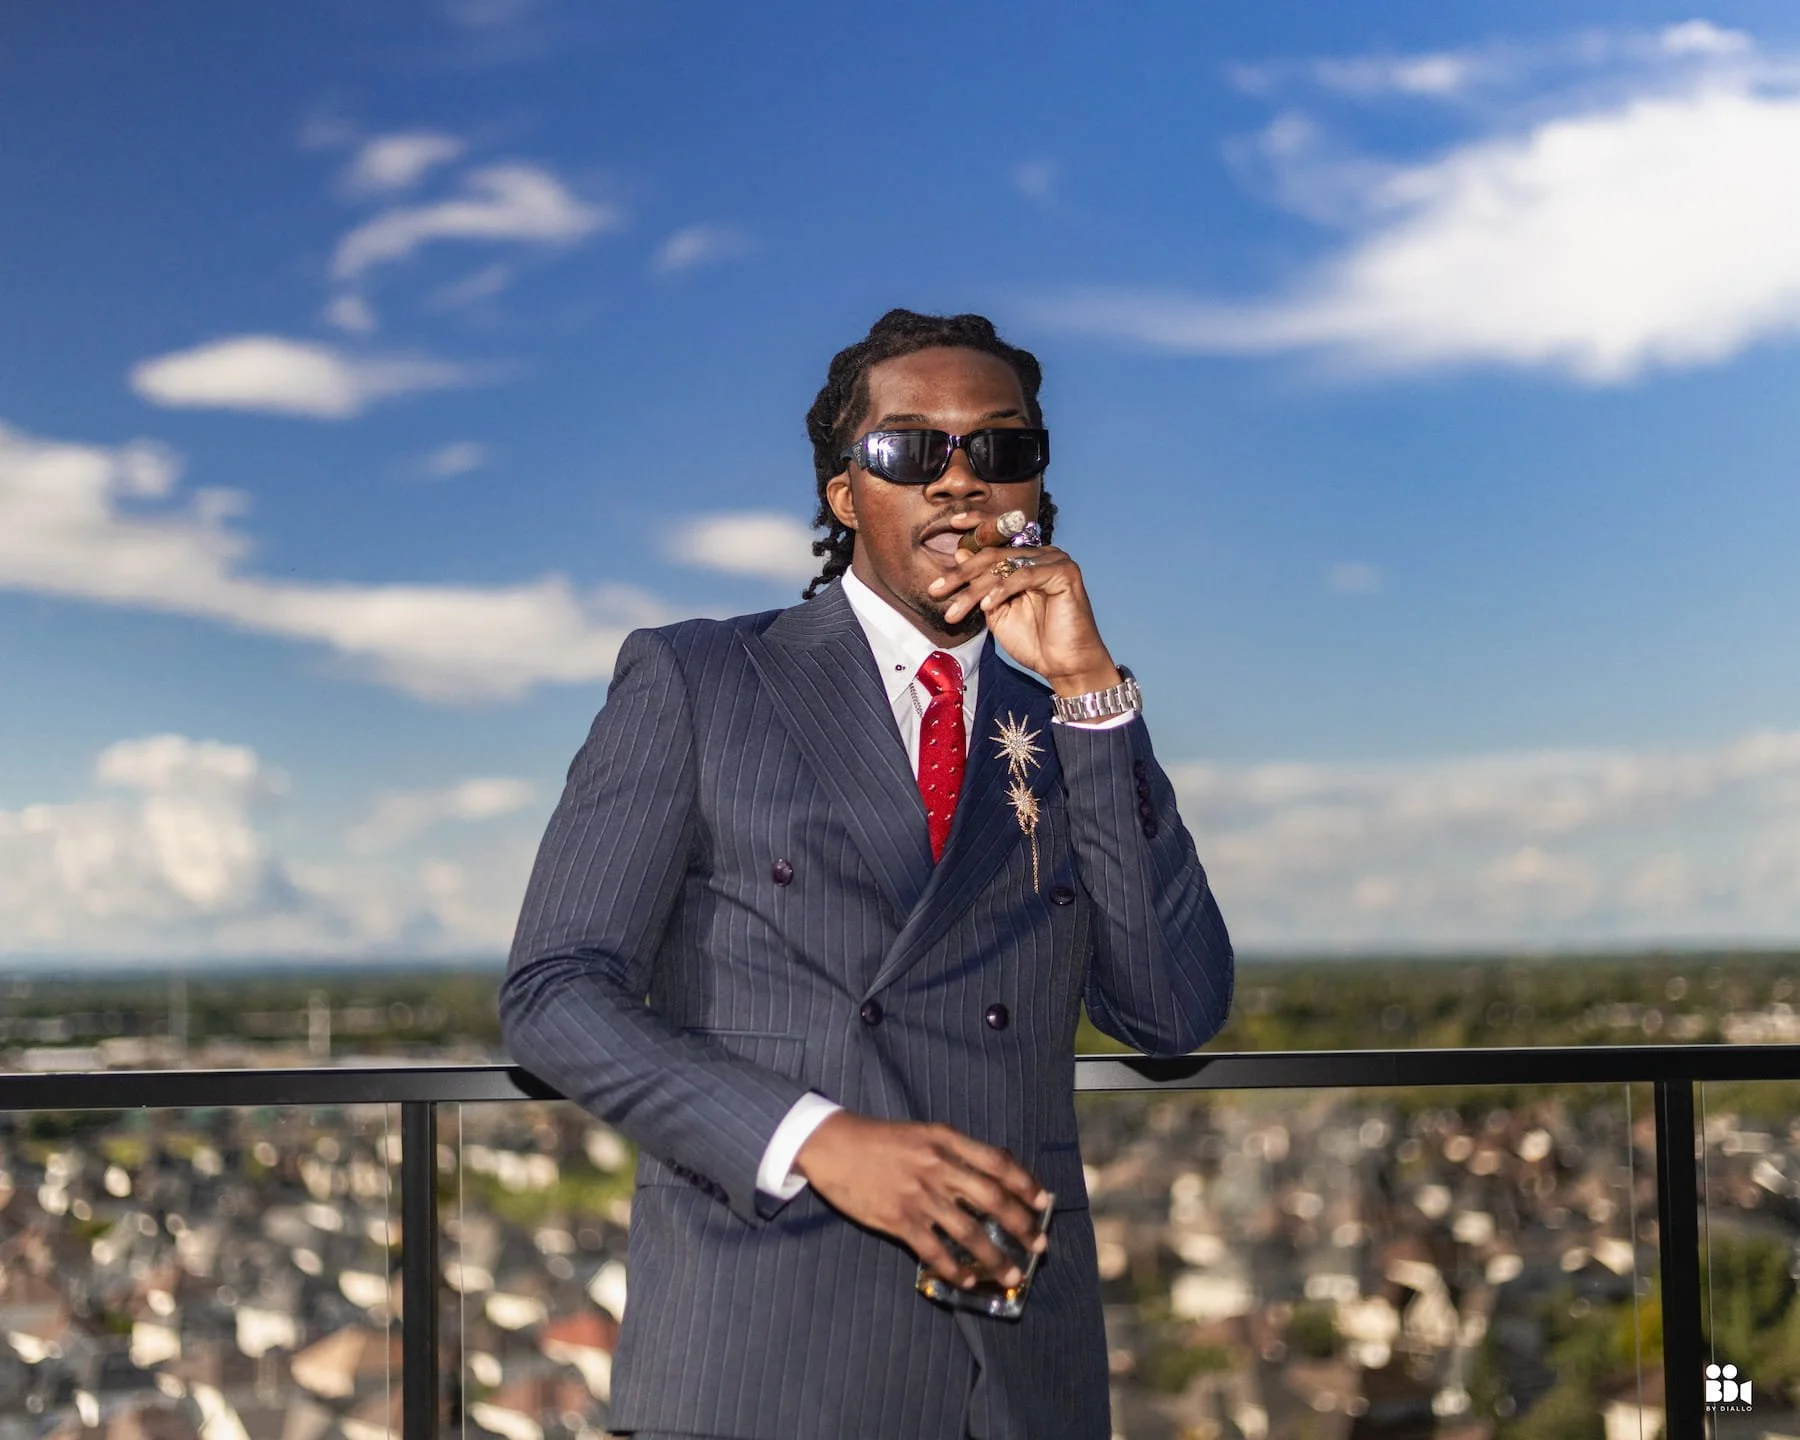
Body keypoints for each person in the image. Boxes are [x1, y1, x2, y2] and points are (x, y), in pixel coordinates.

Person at [500, 308, 1233, 1439]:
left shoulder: (1074, 718)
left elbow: (1172, 1013)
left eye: (998, 449)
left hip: (1017, 1369)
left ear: (1034, 484)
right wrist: (814, 1139)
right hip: (763, 1352)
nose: (957, 481)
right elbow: (554, 995)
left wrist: (1092, 693)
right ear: (845, 494)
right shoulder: (702, 679)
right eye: (908, 449)